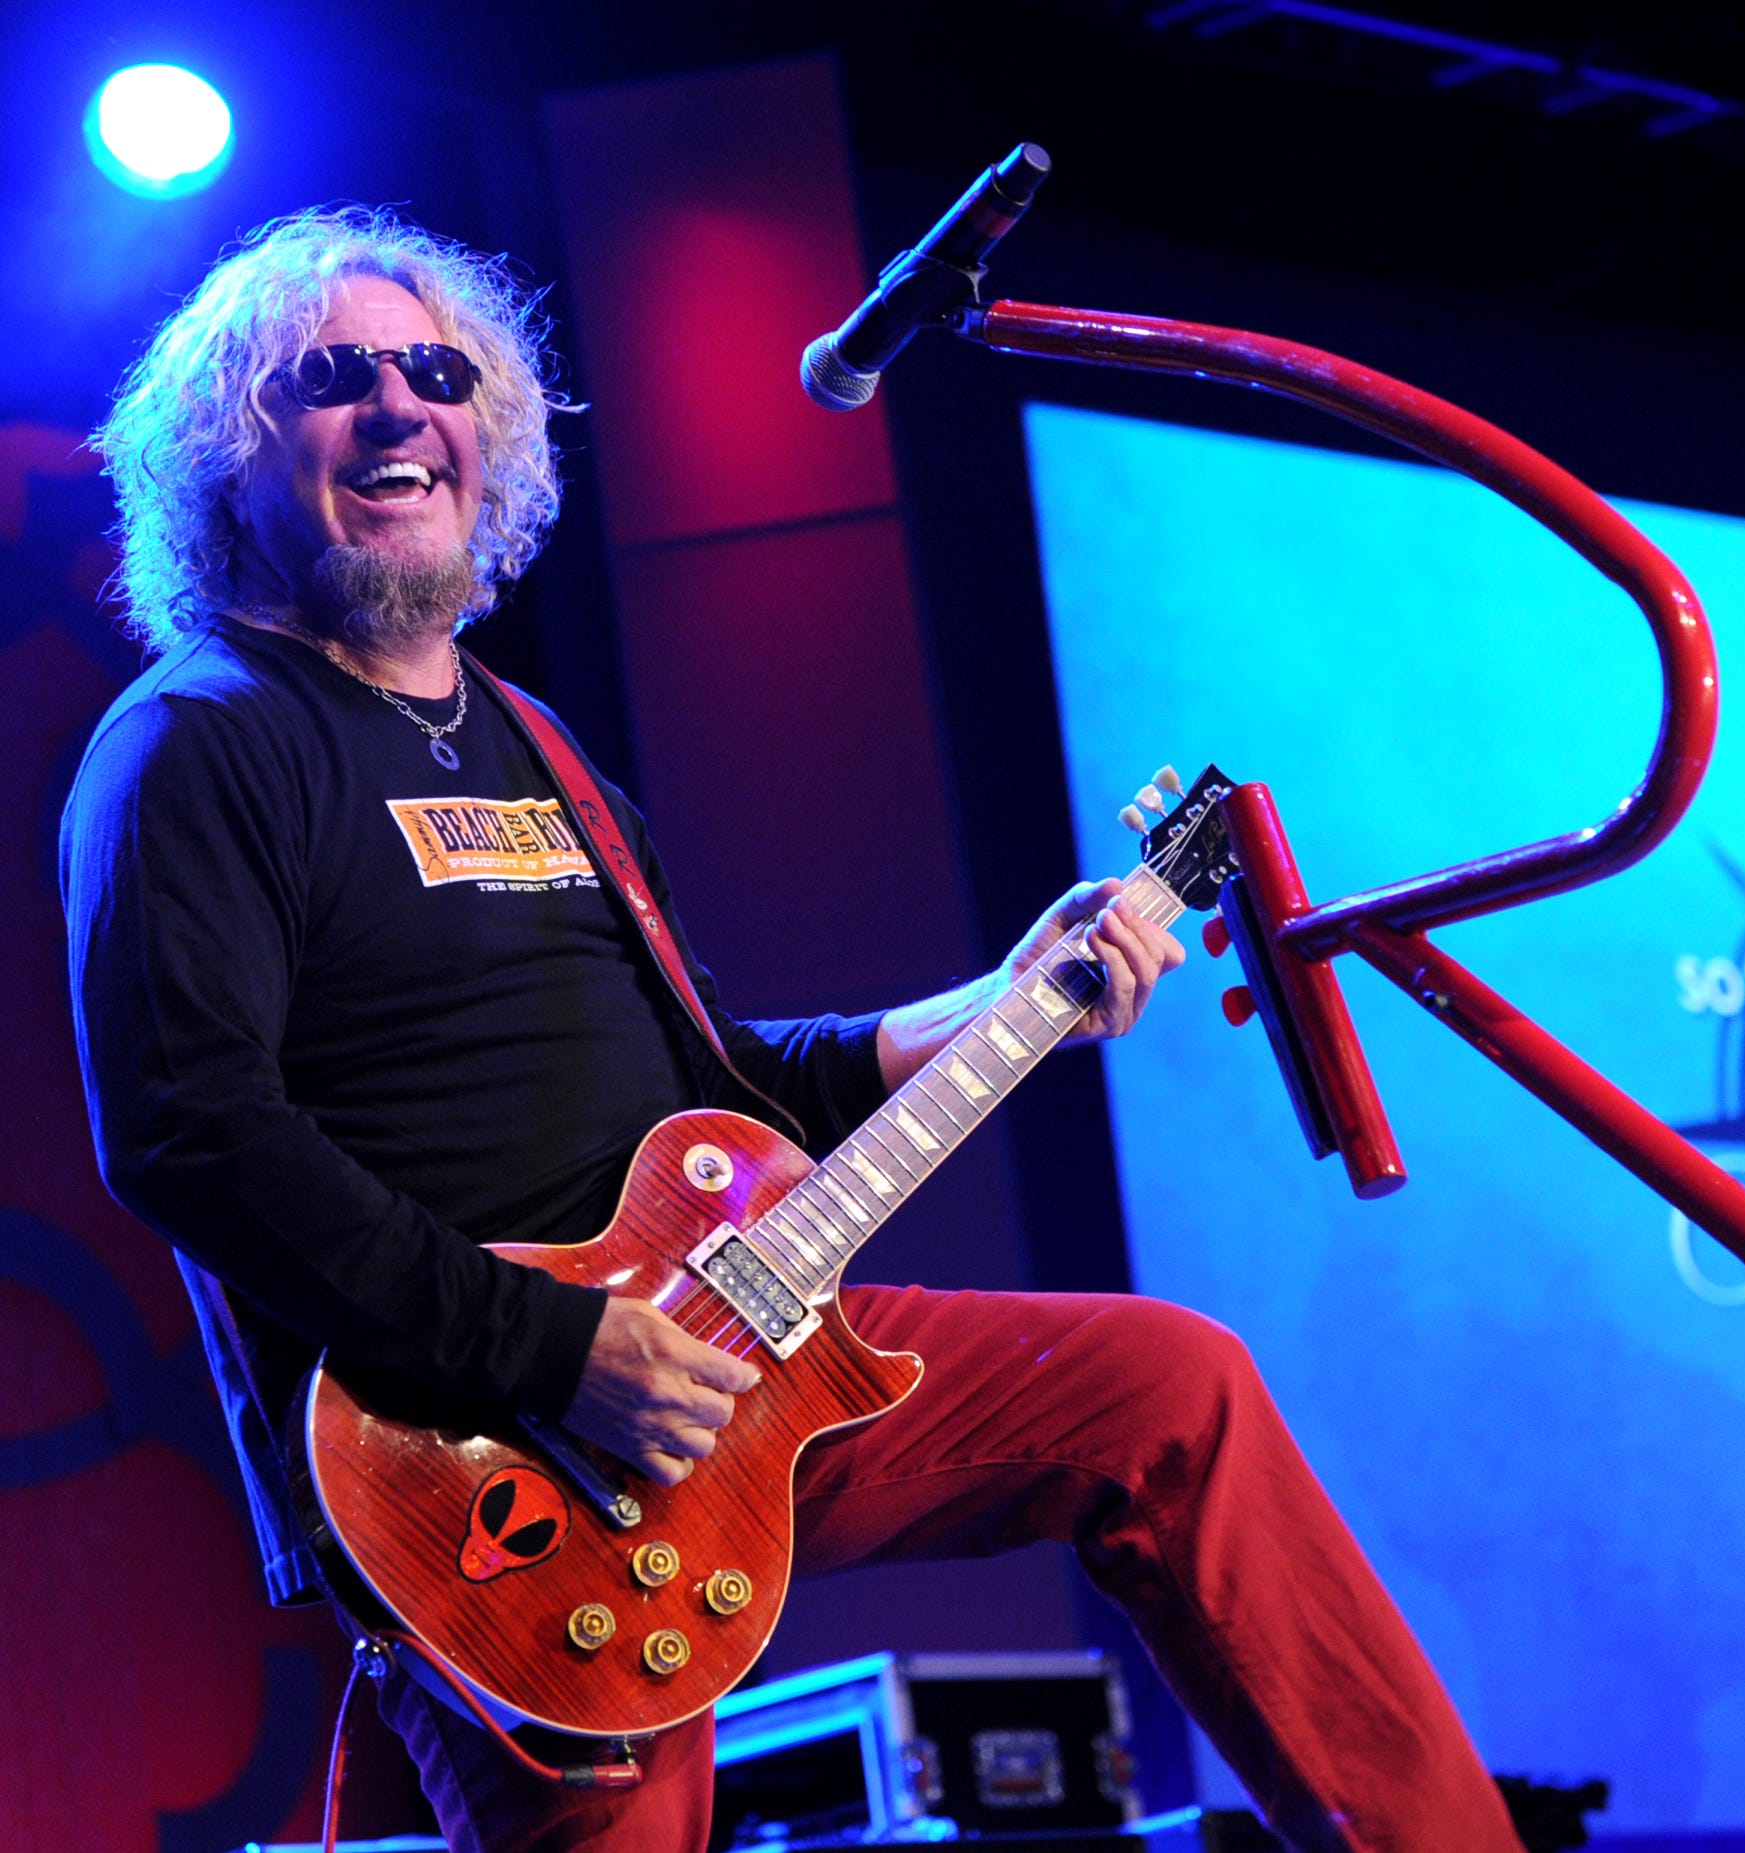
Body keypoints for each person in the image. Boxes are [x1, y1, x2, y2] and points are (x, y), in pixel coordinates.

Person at [61, 208, 1522, 1853]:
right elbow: (191, 1130)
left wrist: (1003, 1001)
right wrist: (560, 1355)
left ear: (501, 434)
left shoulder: (536, 743)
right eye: (333, 378)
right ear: (225, 458)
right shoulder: (193, 742)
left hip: (726, 1346)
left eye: (440, 369)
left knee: (1169, 1392)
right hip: (490, 1464)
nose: (400, 405)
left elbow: (722, 1086)